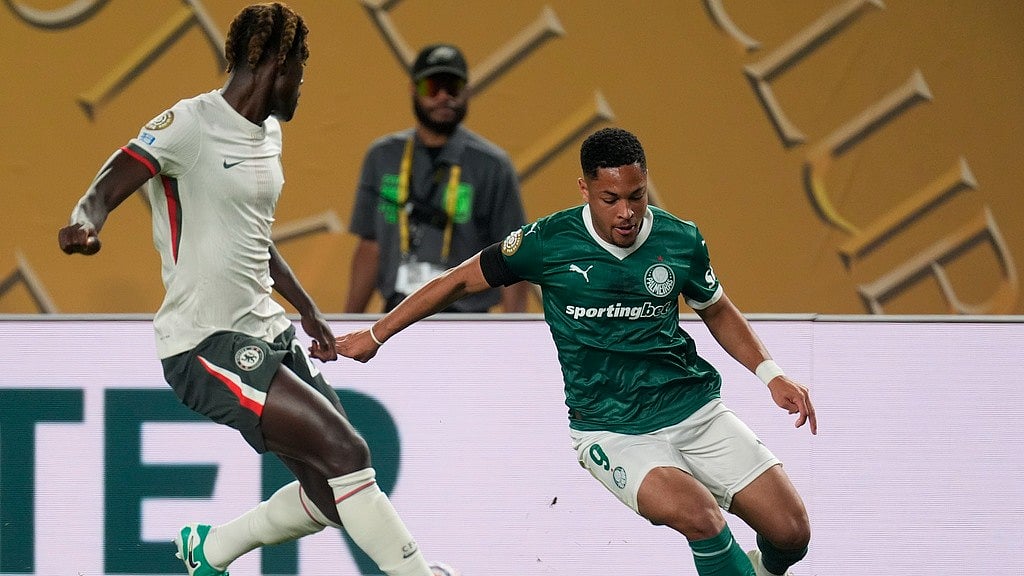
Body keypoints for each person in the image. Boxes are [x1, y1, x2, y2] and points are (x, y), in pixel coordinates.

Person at [336, 127, 817, 576]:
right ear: (585, 190)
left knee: (792, 533)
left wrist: (770, 373)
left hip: (695, 411)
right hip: (612, 431)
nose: (626, 212)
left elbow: (716, 309)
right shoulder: (547, 242)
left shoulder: (680, 239)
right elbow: (459, 279)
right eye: (611, 199)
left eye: (636, 196)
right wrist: (376, 335)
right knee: (701, 517)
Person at [57, 4, 433, 576]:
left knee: (334, 495)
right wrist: (86, 221)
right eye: (301, 72)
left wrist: (305, 308)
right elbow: (113, 178)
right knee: (348, 455)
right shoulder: (189, 123)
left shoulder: (269, 135)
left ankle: (210, 551)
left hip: (266, 331)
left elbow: (253, 236)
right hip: (204, 343)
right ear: (277, 64)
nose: (303, 87)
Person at [345, 42, 529, 313]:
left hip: (469, 319)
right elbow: (370, 247)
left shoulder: (493, 165)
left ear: (467, 91)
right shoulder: (383, 156)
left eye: (453, 87)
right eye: (432, 88)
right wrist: (347, 324)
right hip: (396, 315)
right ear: (413, 90)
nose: (443, 97)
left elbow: (513, 255)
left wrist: (515, 339)